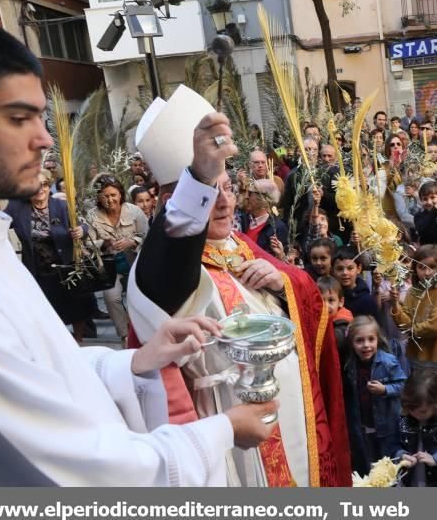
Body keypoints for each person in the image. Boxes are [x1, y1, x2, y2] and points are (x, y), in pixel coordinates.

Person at [0, 19, 276, 486]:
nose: (45, 138)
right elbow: (94, 473)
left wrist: (133, 360)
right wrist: (221, 431)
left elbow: (46, 364)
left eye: (40, 116)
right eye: (18, 118)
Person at [128, 87, 350, 487]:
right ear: (171, 201)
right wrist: (200, 176)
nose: (225, 202)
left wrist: (285, 282)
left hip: (293, 418)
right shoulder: (162, 269)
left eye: (228, 187)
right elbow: (173, 256)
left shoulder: (244, 247)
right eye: (209, 193)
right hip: (226, 430)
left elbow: (308, 295)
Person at [4, 171, 94, 342]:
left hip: (66, 266)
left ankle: (78, 341)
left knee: (76, 307)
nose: (41, 189)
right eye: (36, 185)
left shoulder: (61, 206)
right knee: (44, 310)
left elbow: (83, 225)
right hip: (38, 268)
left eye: (45, 184)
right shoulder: (17, 207)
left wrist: (81, 230)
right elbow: (0, 222)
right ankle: (56, 342)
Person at [342, 316, 406, 476]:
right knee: (368, 460)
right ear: (351, 343)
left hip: (386, 425)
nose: (366, 345)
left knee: (387, 461)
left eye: (371, 339)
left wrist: (385, 389)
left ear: (378, 339)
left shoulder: (388, 362)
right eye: (360, 340)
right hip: (362, 424)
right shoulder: (350, 364)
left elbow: (404, 385)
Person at [88, 175, 149, 340]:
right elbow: (88, 243)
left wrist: (132, 241)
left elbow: (147, 235)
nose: (110, 199)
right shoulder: (93, 216)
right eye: (105, 196)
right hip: (110, 265)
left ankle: (141, 330)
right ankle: (125, 335)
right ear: (99, 197)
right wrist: (105, 243)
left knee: (137, 297)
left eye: (113, 195)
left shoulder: (134, 211)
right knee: (111, 297)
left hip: (135, 261)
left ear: (120, 194)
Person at [390, 245, 437, 387]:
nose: (427, 272)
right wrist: (395, 305)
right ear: (415, 269)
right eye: (421, 267)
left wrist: (412, 329)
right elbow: (404, 321)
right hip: (417, 357)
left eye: (432, 267)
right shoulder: (413, 291)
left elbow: (435, 326)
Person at [389, 371, 437, 487]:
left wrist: (436, 459)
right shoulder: (403, 421)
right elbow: (392, 443)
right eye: (411, 409)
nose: (415, 414)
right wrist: (402, 455)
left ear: (436, 403)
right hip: (409, 479)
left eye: (422, 411)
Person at [317, 275, 353, 351]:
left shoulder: (343, 323)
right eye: (320, 300)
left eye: (331, 300)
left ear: (340, 302)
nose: (325, 306)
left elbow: (334, 341)